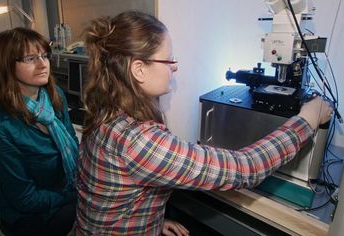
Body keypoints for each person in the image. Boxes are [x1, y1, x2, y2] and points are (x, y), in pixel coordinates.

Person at [75, 11, 333, 235]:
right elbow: (246, 168)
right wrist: (306, 120)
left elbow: (111, 197)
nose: (174, 68)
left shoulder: (106, 110)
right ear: (139, 69)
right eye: (169, 60)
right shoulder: (138, 139)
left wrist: (149, 219)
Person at [0, 27, 79, 236]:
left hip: (64, 193)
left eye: (44, 56)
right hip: (30, 218)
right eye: (30, 58)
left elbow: (72, 140)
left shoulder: (56, 96)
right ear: (7, 65)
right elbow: (26, 199)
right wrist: (74, 195)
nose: (43, 64)